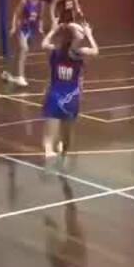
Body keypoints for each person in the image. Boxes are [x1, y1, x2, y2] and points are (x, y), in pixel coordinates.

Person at [40, 21, 99, 164]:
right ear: (72, 37)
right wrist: (53, 30)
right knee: (51, 127)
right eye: (80, 32)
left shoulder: (79, 53)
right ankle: (48, 148)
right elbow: (44, 45)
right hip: (55, 93)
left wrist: (90, 35)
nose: (82, 35)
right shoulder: (56, 51)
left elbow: (95, 51)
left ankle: (62, 149)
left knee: (67, 140)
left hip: (71, 97)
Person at [2, 0, 45, 86]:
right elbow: (16, 14)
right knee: (24, 49)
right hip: (22, 28)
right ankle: (21, 76)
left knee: (21, 53)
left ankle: (8, 73)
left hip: (32, 30)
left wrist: (40, 28)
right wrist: (13, 27)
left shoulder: (41, 3)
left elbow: (41, 17)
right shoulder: (25, 1)